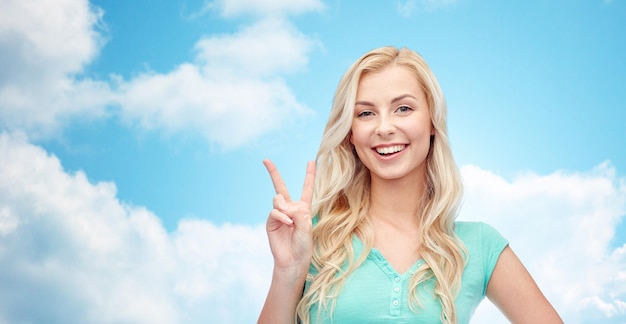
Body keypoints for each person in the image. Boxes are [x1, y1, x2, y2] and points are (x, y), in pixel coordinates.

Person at [258, 46, 562, 324]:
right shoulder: (313, 239)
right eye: (365, 113)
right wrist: (288, 272)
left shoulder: (479, 247)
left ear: (432, 121)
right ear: (350, 133)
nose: (385, 128)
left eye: (403, 108)